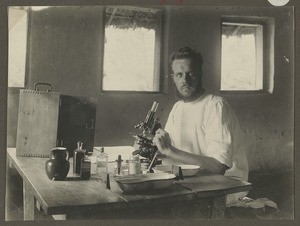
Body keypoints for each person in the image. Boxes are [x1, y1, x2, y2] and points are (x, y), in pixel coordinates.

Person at [152, 47, 249, 205]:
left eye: (190, 74)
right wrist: (156, 149)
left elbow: (218, 167)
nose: (185, 80)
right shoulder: (178, 108)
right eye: (179, 75)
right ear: (173, 78)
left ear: (200, 73)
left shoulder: (216, 106)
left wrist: (170, 150)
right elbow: (171, 155)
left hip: (225, 187)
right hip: (195, 183)